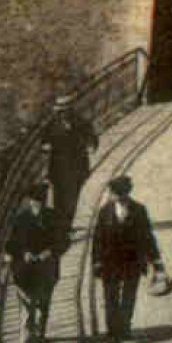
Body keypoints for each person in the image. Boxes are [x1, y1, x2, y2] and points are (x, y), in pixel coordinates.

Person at [91, 175, 162, 343]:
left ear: (123, 194)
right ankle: (113, 337)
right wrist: (96, 262)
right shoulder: (105, 211)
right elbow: (97, 239)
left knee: (129, 298)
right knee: (110, 300)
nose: (111, 196)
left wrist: (157, 262)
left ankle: (124, 328)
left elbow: (147, 237)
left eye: (114, 193)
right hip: (110, 264)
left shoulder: (139, 210)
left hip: (132, 262)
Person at [5, 182, 62, 343]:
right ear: (30, 201)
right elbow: (11, 245)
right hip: (26, 271)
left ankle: (40, 336)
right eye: (36, 200)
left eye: (42, 200)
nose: (39, 203)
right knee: (29, 309)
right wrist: (24, 253)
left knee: (44, 305)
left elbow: (63, 241)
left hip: (47, 269)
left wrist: (50, 251)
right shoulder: (20, 220)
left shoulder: (53, 217)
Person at [41, 95, 98, 239]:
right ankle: (61, 228)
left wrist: (91, 146)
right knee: (59, 199)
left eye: (64, 111)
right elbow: (44, 140)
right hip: (57, 168)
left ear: (71, 110)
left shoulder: (81, 122)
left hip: (76, 168)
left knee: (71, 199)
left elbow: (92, 137)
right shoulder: (52, 124)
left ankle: (66, 227)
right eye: (59, 111)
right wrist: (45, 146)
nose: (61, 114)